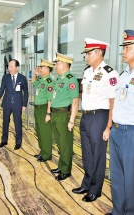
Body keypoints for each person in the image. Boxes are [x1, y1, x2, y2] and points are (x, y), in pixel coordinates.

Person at [72, 38, 119, 202]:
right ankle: (87, 183)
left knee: (98, 155)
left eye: (89, 53)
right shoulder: (87, 72)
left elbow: (113, 101)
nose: (86, 56)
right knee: (87, 154)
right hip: (85, 116)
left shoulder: (110, 73)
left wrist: (108, 126)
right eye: (86, 53)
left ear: (99, 53)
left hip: (100, 116)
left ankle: (96, 189)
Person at [106, 30, 134, 215]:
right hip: (117, 131)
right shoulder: (123, 74)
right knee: (117, 176)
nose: (124, 51)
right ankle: (117, 211)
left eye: (128, 47)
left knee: (131, 179)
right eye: (124, 48)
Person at [50, 52, 79, 181]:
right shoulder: (59, 79)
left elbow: (75, 101)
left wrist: (71, 120)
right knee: (59, 142)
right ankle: (61, 166)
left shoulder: (70, 79)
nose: (55, 66)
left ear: (63, 64)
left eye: (57, 63)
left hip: (63, 115)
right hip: (55, 113)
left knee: (65, 143)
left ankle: (66, 170)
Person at [0, 59, 28, 150]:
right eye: (8, 67)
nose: (9, 69)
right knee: (5, 122)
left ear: (17, 67)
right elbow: (2, 87)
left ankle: (18, 142)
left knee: (18, 123)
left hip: (18, 104)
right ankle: (4, 140)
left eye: (11, 67)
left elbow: (26, 92)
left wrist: (24, 104)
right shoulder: (5, 77)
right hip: (7, 103)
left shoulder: (22, 78)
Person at [32, 59, 54, 162]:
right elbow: (33, 82)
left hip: (44, 108)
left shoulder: (50, 82)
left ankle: (47, 154)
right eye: (40, 67)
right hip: (38, 108)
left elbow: (50, 99)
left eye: (42, 67)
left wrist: (48, 113)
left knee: (45, 132)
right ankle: (42, 151)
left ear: (48, 69)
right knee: (39, 132)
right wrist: (35, 74)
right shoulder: (41, 79)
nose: (40, 69)